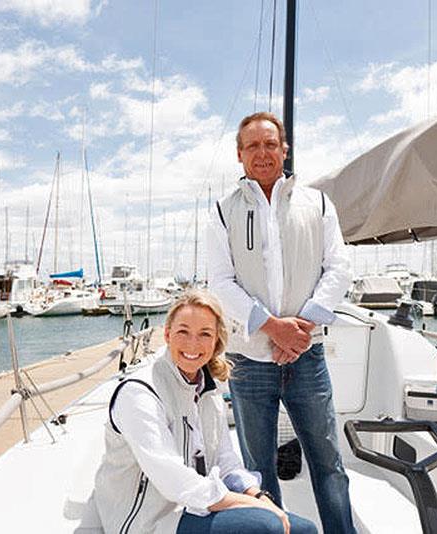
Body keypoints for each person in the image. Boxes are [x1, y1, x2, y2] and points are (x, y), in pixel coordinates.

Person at [207, 112, 356, 533]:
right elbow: (220, 282)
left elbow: (338, 269)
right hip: (249, 362)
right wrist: (274, 328)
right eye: (252, 146)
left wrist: (301, 327)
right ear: (240, 155)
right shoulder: (223, 212)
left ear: (284, 149)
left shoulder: (318, 203)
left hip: (307, 357)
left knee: (329, 465)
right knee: (259, 473)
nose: (262, 153)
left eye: (270, 144)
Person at [94, 290, 318, 534]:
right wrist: (254, 506)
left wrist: (259, 496)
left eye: (205, 334)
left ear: (216, 342)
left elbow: (226, 462)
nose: (193, 343)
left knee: (303, 530)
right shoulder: (139, 392)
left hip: (193, 508)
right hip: (148, 522)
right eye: (183, 331)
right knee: (267, 526)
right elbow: (173, 481)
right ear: (167, 334)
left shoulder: (209, 392)